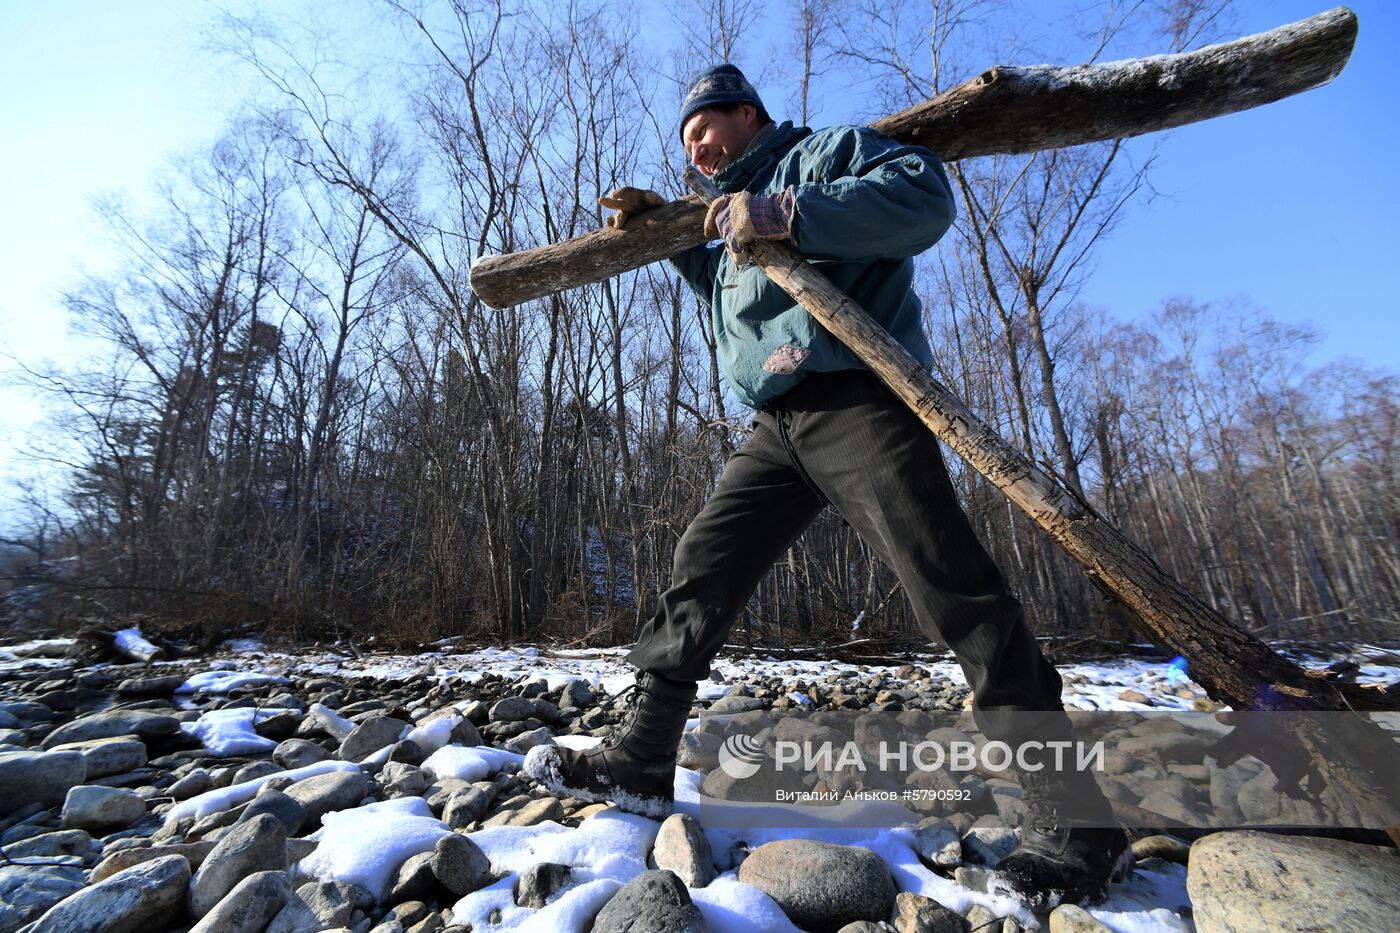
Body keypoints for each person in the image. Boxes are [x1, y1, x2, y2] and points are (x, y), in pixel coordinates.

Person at [525, 63, 1133, 908]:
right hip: (775, 427)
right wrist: (656, 232)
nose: (695, 146)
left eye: (704, 129)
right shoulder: (722, 213)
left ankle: (1077, 819)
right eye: (684, 142)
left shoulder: (829, 154)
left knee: (951, 584)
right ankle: (641, 758)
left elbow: (923, 200)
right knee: (703, 565)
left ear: (746, 114)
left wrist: (789, 213)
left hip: (858, 396)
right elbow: (720, 281)